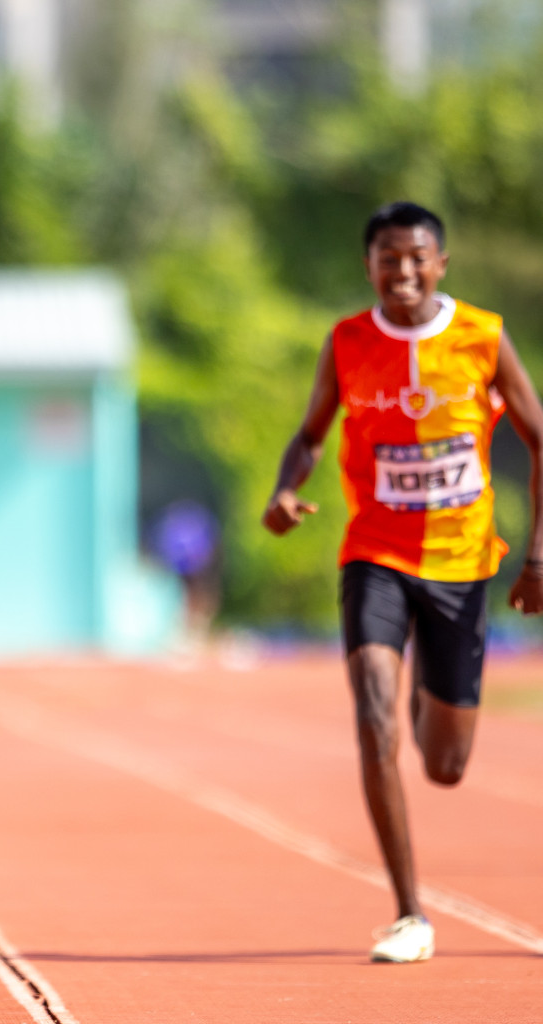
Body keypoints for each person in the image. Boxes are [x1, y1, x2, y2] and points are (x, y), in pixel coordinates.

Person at [262, 201, 543, 963]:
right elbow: (311, 434)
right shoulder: (349, 341)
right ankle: (409, 913)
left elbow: (539, 437)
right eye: (389, 259)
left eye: (418, 257)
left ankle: (433, 691)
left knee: (446, 766)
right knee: (375, 718)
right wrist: (287, 490)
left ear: (441, 264)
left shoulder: (482, 336)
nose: (404, 271)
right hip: (376, 554)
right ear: (370, 267)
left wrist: (538, 559)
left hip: (460, 563)